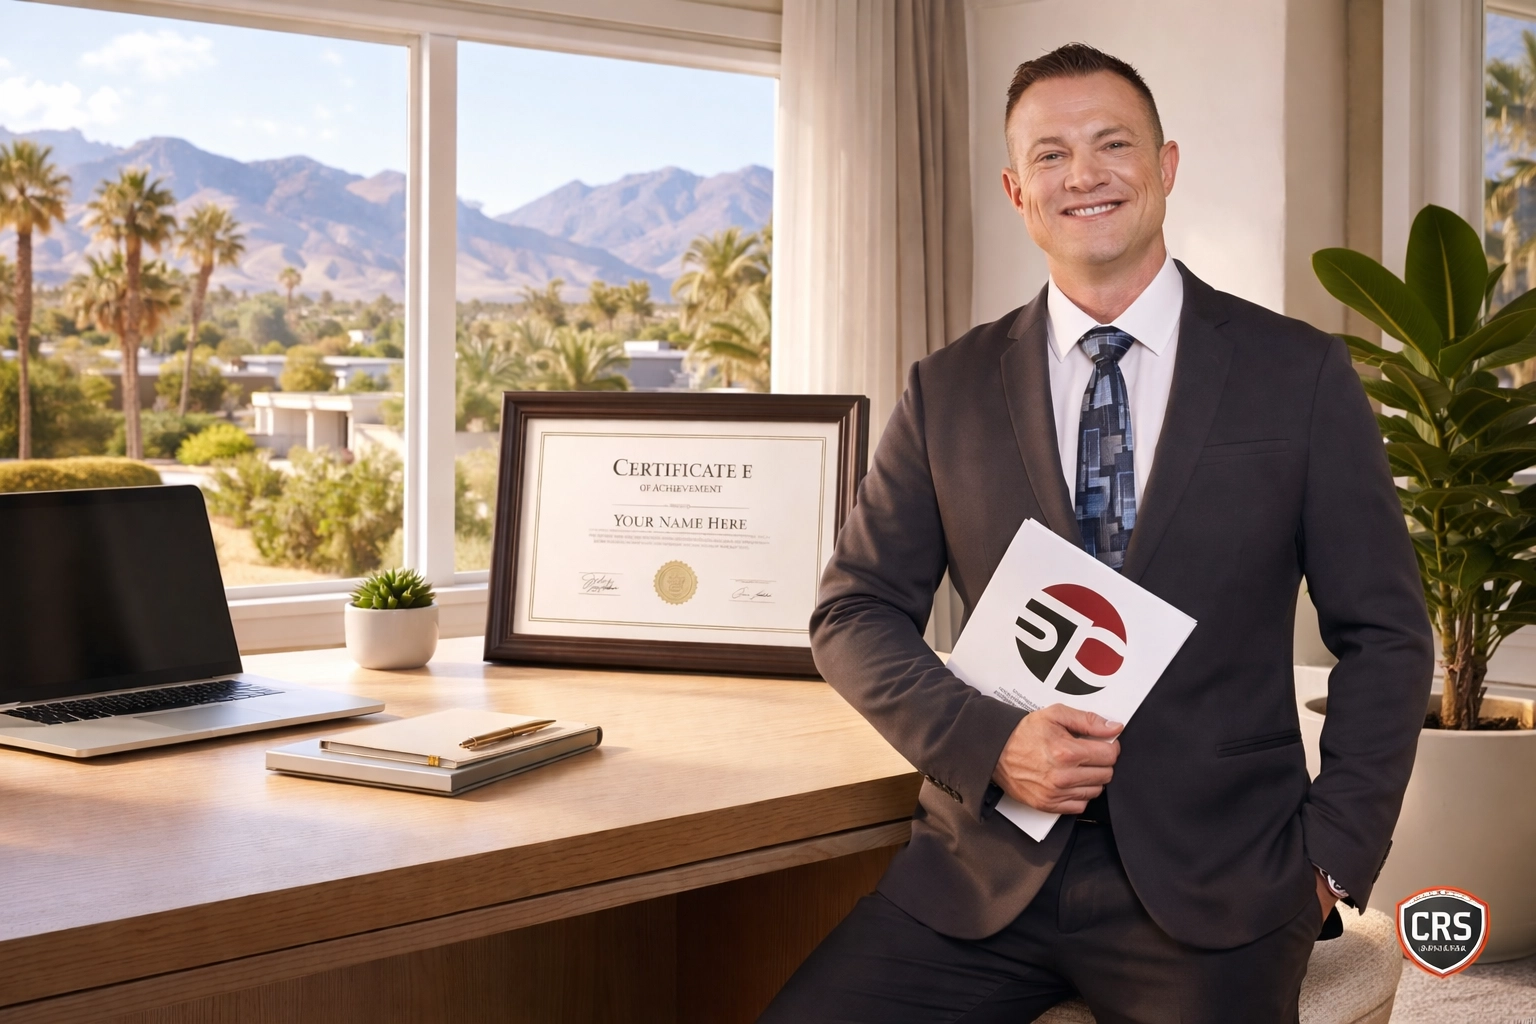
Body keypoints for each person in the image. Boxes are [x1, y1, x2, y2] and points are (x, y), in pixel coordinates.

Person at [760, 43, 1433, 1024]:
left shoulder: (1300, 374)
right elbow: (853, 611)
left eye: (1112, 144)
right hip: (977, 880)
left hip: (1219, 886)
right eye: (1050, 155)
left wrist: (1333, 850)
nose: (1083, 174)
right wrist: (988, 744)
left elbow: (1387, 630)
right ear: (1015, 189)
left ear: (1164, 166)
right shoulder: (946, 390)